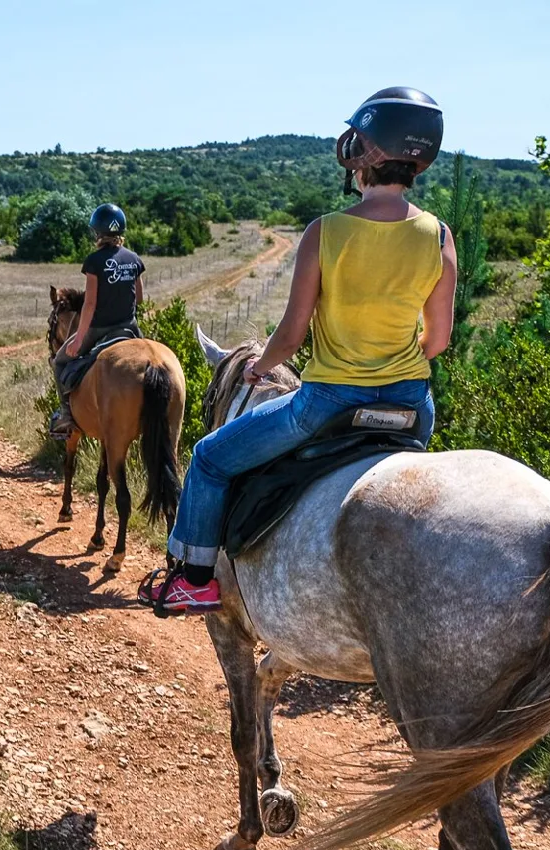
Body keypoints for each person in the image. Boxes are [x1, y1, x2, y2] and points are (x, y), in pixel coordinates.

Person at [139, 87, 458, 613]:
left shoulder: (324, 232)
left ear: (369, 156)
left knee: (210, 458)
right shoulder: (439, 236)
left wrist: (257, 370)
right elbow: (438, 340)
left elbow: (290, 336)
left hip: (328, 403)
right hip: (411, 410)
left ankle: (194, 578)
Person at [48, 203, 145, 439]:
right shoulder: (134, 259)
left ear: (97, 232)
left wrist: (79, 338)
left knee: (60, 362)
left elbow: (89, 305)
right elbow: (140, 298)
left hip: (100, 329)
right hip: (130, 328)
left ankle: (66, 415)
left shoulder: (94, 261)